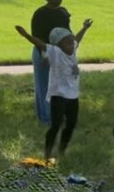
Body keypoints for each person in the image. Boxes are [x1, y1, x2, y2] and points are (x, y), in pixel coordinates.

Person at [15, 20, 93, 160]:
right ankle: (48, 151)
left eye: (71, 40)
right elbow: (39, 43)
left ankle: (62, 149)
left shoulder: (73, 47)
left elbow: (77, 38)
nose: (71, 44)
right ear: (58, 44)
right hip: (59, 94)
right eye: (67, 42)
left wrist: (84, 28)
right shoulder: (55, 52)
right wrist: (26, 34)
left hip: (72, 95)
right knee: (56, 124)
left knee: (71, 123)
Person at [30, 0, 71, 125]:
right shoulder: (40, 13)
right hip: (44, 53)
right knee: (44, 86)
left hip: (60, 53)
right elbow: (36, 37)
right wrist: (45, 54)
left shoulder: (63, 12)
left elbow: (67, 33)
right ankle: (46, 117)